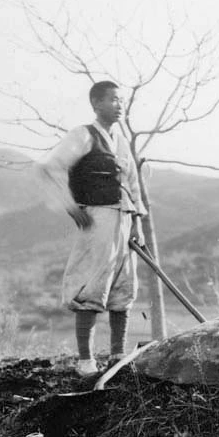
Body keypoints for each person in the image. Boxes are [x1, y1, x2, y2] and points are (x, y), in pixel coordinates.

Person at [34, 80, 147, 376]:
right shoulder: (83, 135)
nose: (119, 105)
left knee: (124, 286)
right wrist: (70, 206)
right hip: (98, 219)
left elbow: (132, 184)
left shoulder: (121, 141)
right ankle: (85, 361)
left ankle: (117, 356)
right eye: (112, 99)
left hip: (124, 219)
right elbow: (49, 167)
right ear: (96, 104)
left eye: (121, 100)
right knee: (92, 285)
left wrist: (137, 225)